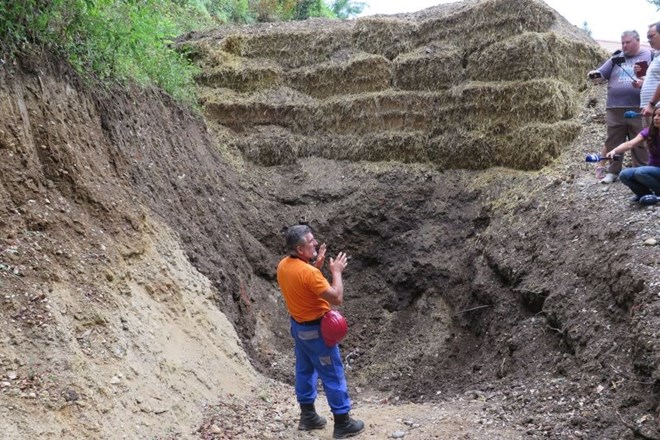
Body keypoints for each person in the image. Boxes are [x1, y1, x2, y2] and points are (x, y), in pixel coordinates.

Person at [276, 224, 365, 439]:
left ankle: (308, 417)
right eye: (311, 241)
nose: (316, 243)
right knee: (332, 373)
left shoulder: (284, 265)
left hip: (299, 328)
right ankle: (343, 422)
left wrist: (316, 266)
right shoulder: (308, 273)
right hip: (317, 332)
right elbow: (336, 297)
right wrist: (336, 272)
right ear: (299, 249)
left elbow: (303, 284)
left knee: (304, 370)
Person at [588, 30, 651, 184]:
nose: (624, 46)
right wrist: (594, 74)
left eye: (627, 42)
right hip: (615, 108)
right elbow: (600, 75)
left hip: (638, 108)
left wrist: (643, 83)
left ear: (637, 41)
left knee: (640, 141)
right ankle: (613, 171)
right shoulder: (616, 58)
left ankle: (641, 172)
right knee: (613, 141)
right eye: (622, 43)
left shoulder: (649, 55)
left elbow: (655, 79)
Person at [606, 105, 660, 205]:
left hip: (654, 171)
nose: (656, 118)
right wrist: (614, 151)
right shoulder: (649, 131)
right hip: (653, 169)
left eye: (659, 115)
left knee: (640, 172)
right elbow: (630, 143)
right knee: (624, 174)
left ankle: (658, 193)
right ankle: (644, 194)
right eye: (655, 115)